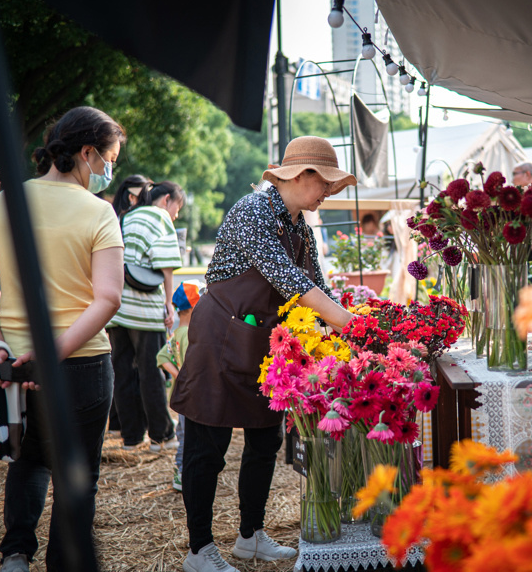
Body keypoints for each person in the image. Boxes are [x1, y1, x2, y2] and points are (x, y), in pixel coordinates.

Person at [171, 136, 356, 572]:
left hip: (263, 341)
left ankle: (250, 536)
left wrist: (346, 321)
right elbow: (289, 280)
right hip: (221, 336)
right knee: (207, 446)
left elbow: (317, 286)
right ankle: (199, 550)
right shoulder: (253, 210)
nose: (328, 192)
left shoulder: (299, 227)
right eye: (325, 183)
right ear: (300, 175)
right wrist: (350, 323)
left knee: (265, 439)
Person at [0, 106, 125, 572]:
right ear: (87, 153)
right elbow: (108, 298)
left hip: (14, 362)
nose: (109, 171)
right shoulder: (100, 211)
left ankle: (15, 555)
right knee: (78, 476)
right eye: (109, 158)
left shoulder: (5, 202)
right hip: (81, 365)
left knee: (27, 459)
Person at [108, 181, 185, 451]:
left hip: (117, 307)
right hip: (144, 309)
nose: (175, 215)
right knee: (151, 371)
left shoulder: (128, 216)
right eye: (177, 208)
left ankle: (131, 437)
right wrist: (168, 303)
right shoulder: (160, 216)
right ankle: (161, 436)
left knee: (123, 372)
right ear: (166, 200)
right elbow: (166, 265)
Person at [105, 174, 151, 436]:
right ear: (133, 196)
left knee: (119, 368)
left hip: (111, 306)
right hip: (135, 304)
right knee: (139, 370)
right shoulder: (137, 219)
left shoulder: (112, 217)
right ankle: (136, 430)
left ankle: (124, 430)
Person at [155, 281, 203, 492]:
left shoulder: (176, 334)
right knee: (190, 438)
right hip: (192, 397)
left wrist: (177, 375)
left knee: (183, 434)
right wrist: (185, 376)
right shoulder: (191, 336)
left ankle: (180, 472)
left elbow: (161, 357)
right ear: (194, 308)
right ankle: (185, 474)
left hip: (180, 395)